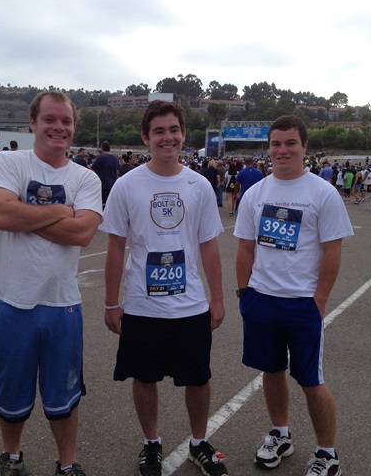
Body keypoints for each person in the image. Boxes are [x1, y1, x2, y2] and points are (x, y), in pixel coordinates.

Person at [101, 100, 229, 476]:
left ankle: (199, 443)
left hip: (190, 305)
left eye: (174, 130)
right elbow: (116, 247)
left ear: (183, 135)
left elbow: (208, 246)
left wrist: (217, 299)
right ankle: (152, 443)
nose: (167, 137)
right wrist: (111, 303)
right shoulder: (127, 185)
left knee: (198, 378)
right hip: (142, 306)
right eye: (158, 131)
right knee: (144, 377)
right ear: (146, 137)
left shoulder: (199, 185)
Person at [0, 91, 102, 476]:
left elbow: (83, 233)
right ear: (32, 123)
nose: (58, 127)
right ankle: (12, 457)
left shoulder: (85, 177)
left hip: (62, 303)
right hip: (10, 300)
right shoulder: (8, 161)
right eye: (50, 119)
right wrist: (61, 211)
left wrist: (25, 213)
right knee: (11, 392)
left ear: (74, 127)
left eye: (66, 121)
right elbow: (0, 215)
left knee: (64, 396)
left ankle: (67, 464)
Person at [234, 115, 353, 476]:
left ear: (304, 147)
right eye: (276, 144)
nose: (282, 150)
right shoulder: (256, 193)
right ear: (268, 148)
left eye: (290, 143)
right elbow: (245, 248)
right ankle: (280, 435)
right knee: (271, 371)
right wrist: (244, 294)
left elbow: (332, 251)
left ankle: (327, 454)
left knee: (311, 381)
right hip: (261, 299)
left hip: (302, 303)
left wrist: (319, 301)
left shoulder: (322, 193)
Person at [91, 140, 118, 208]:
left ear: (102, 148)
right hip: (114, 184)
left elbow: (92, 169)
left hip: (103, 184)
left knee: (102, 204)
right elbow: (117, 170)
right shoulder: (115, 158)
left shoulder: (101, 158)